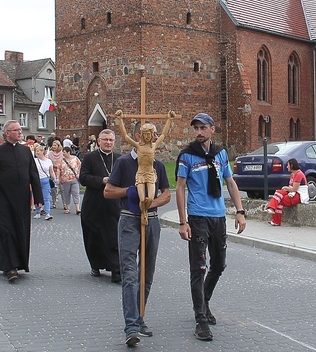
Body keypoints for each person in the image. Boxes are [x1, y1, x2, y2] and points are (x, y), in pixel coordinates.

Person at [176, 113, 246, 341]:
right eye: (196, 128)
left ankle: (204, 301)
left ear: (212, 130)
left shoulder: (220, 154)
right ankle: (201, 320)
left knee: (219, 265)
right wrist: (183, 221)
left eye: (203, 127)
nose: (199, 132)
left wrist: (240, 211)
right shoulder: (187, 156)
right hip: (197, 217)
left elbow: (230, 182)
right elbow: (180, 188)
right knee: (198, 268)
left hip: (218, 216)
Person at [104, 131, 171, 347]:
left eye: (153, 134)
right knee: (131, 274)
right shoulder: (124, 163)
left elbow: (166, 194)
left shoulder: (157, 164)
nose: (149, 137)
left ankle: (140, 317)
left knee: (147, 274)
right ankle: (131, 326)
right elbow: (108, 191)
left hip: (151, 220)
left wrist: (150, 203)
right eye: (144, 134)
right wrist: (129, 192)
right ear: (135, 137)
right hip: (129, 220)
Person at [0, 120, 44, 282]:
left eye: (20, 129)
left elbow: (33, 175)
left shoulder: (26, 151)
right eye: (15, 130)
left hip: (22, 199)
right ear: (7, 133)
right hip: (3, 199)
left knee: (20, 231)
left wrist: (38, 197)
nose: (19, 132)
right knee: (6, 232)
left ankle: (16, 263)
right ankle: (10, 268)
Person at [114, 109, 175, 219]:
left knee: (150, 198)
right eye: (148, 134)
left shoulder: (154, 147)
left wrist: (169, 120)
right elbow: (125, 136)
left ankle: (144, 213)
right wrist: (120, 120)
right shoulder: (137, 147)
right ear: (140, 135)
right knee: (142, 199)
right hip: (141, 174)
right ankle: (144, 213)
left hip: (150, 175)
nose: (152, 137)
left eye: (151, 134)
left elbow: (164, 134)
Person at [80, 129, 122, 281]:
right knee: (94, 238)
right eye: (105, 140)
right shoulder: (90, 157)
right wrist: (102, 180)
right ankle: (95, 265)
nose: (108, 143)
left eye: (111, 140)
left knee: (113, 236)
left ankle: (115, 268)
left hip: (113, 205)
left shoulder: (119, 159)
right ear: (99, 141)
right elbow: (83, 178)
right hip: (94, 204)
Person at [264, 158, 309, 226]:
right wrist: (285, 189)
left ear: (292, 165)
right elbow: (291, 187)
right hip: (292, 192)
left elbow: (294, 189)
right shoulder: (292, 174)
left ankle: (273, 213)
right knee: (278, 192)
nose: (287, 167)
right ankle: (273, 212)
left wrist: (285, 188)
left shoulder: (299, 174)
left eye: (288, 165)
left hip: (299, 194)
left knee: (280, 200)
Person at [32, 144, 56, 220]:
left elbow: (51, 171)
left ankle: (47, 213)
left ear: (43, 151)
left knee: (46, 198)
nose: (37, 152)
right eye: (36, 151)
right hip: (36, 181)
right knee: (37, 197)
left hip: (45, 180)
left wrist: (54, 179)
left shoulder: (48, 161)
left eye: (38, 151)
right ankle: (38, 212)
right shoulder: (34, 161)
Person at [59, 146, 82, 214]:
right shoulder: (62, 160)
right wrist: (59, 178)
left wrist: (79, 173)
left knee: (76, 193)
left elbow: (80, 166)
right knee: (67, 194)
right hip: (65, 179)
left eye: (64, 152)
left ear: (69, 152)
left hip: (74, 178)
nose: (63, 153)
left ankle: (77, 208)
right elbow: (59, 169)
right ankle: (67, 207)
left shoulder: (75, 159)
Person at [47, 139, 64, 209]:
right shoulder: (50, 153)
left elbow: (63, 162)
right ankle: (54, 203)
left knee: (62, 189)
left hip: (60, 172)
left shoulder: (62, 153)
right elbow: (48, 161)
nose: (53, 146)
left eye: (55, 145)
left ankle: (65, 204)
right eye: (53, 145)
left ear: (58, 146)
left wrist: (58, 166)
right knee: (53, 189)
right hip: (52, 171)